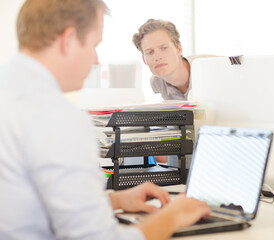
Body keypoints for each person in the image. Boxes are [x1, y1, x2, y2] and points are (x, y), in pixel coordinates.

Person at [0, 1, 210, 240]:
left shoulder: (8, 89)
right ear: (68, 40)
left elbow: (29, 202)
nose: (96, 60)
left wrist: (114, 199)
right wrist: (173, 216)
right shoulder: (55, 117)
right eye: (93, 45)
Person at [133, 19, 213, 101]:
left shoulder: (211, 67)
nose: (157, 57)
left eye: (164, 48)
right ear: (144, 60)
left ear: (178, 49)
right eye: (150, 52)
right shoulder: (157, 83)